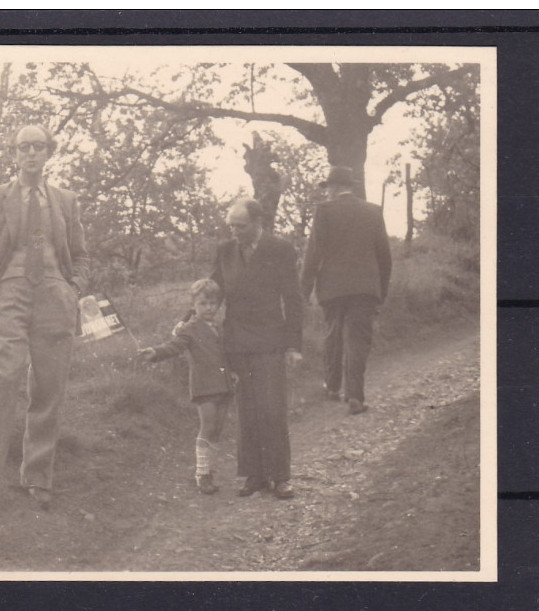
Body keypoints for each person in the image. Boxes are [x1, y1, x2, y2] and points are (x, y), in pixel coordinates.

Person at [0, 123, 90, 508]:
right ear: (14, 154)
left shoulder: (65, 200)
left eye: (38, 147)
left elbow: (80, 255)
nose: (31, 154)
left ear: (49, 153)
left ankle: (38, 477)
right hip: (9, 291)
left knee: (49, 385)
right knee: (4, 376)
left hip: (54, 293)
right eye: (24, 147)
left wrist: (73, 287)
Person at [213, 198, 304, 500]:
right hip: (237, 342)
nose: (234, 232)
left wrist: (293, 344)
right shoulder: (224, 252)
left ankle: (280, 477)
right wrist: (187, 323)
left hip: (269, 341)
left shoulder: (280, 250)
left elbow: (292, 299)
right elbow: (212, 293)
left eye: (240, 226)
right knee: (247, 409)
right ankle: (252, 474)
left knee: (271, 408)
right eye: (231, 226)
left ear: (257, 223)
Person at [301, 166, 392, 415]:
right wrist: (381, 290)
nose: (327, 192)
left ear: (334, 187)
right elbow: (384, 256)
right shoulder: (373, 211)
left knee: (332, 333)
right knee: (358, 338)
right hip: (365, 287)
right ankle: (355, 396)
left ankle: (332, 387)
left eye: (328, 187)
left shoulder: (324, 211)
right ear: (350, 186)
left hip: (332, 286)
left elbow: (314, 253)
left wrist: (304, 289)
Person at [140, 279, 234, 494]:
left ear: (218, 304)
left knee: (218, 430)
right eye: (203, 303)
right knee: (207, 427)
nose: (208, 308)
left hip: (224, 385)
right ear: (194, 305)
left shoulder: (221, 327)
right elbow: (174, 346)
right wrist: (156, 352)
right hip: (204, 387)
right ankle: (202, 474)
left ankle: (211, 469)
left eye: (212, 303)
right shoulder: (189, 329)